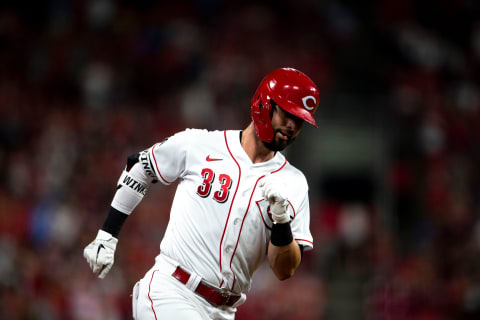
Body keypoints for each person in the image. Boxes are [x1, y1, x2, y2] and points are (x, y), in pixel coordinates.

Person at [83, 67, 320, 320]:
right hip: (172, 291)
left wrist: (281, 221)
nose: (292, 125)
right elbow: (140, 167)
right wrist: (107, 234)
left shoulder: (293, 183)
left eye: (300, 121)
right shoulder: (200, 144)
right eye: (287, 113)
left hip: (224, 311)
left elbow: (284, 270)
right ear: (264, 104)